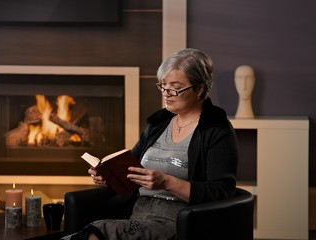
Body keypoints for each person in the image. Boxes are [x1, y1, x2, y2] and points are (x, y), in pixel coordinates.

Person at [63, 48, 239, 240]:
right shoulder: (159, 123)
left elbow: (221, 194)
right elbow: (132, 168)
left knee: (94, 234)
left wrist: (166, 181)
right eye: (163, 86)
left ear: (200, 89)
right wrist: (108, 176)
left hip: (179, 223)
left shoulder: (216, 130)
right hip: (137, 215)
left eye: (175, 87)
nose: (166, 93)